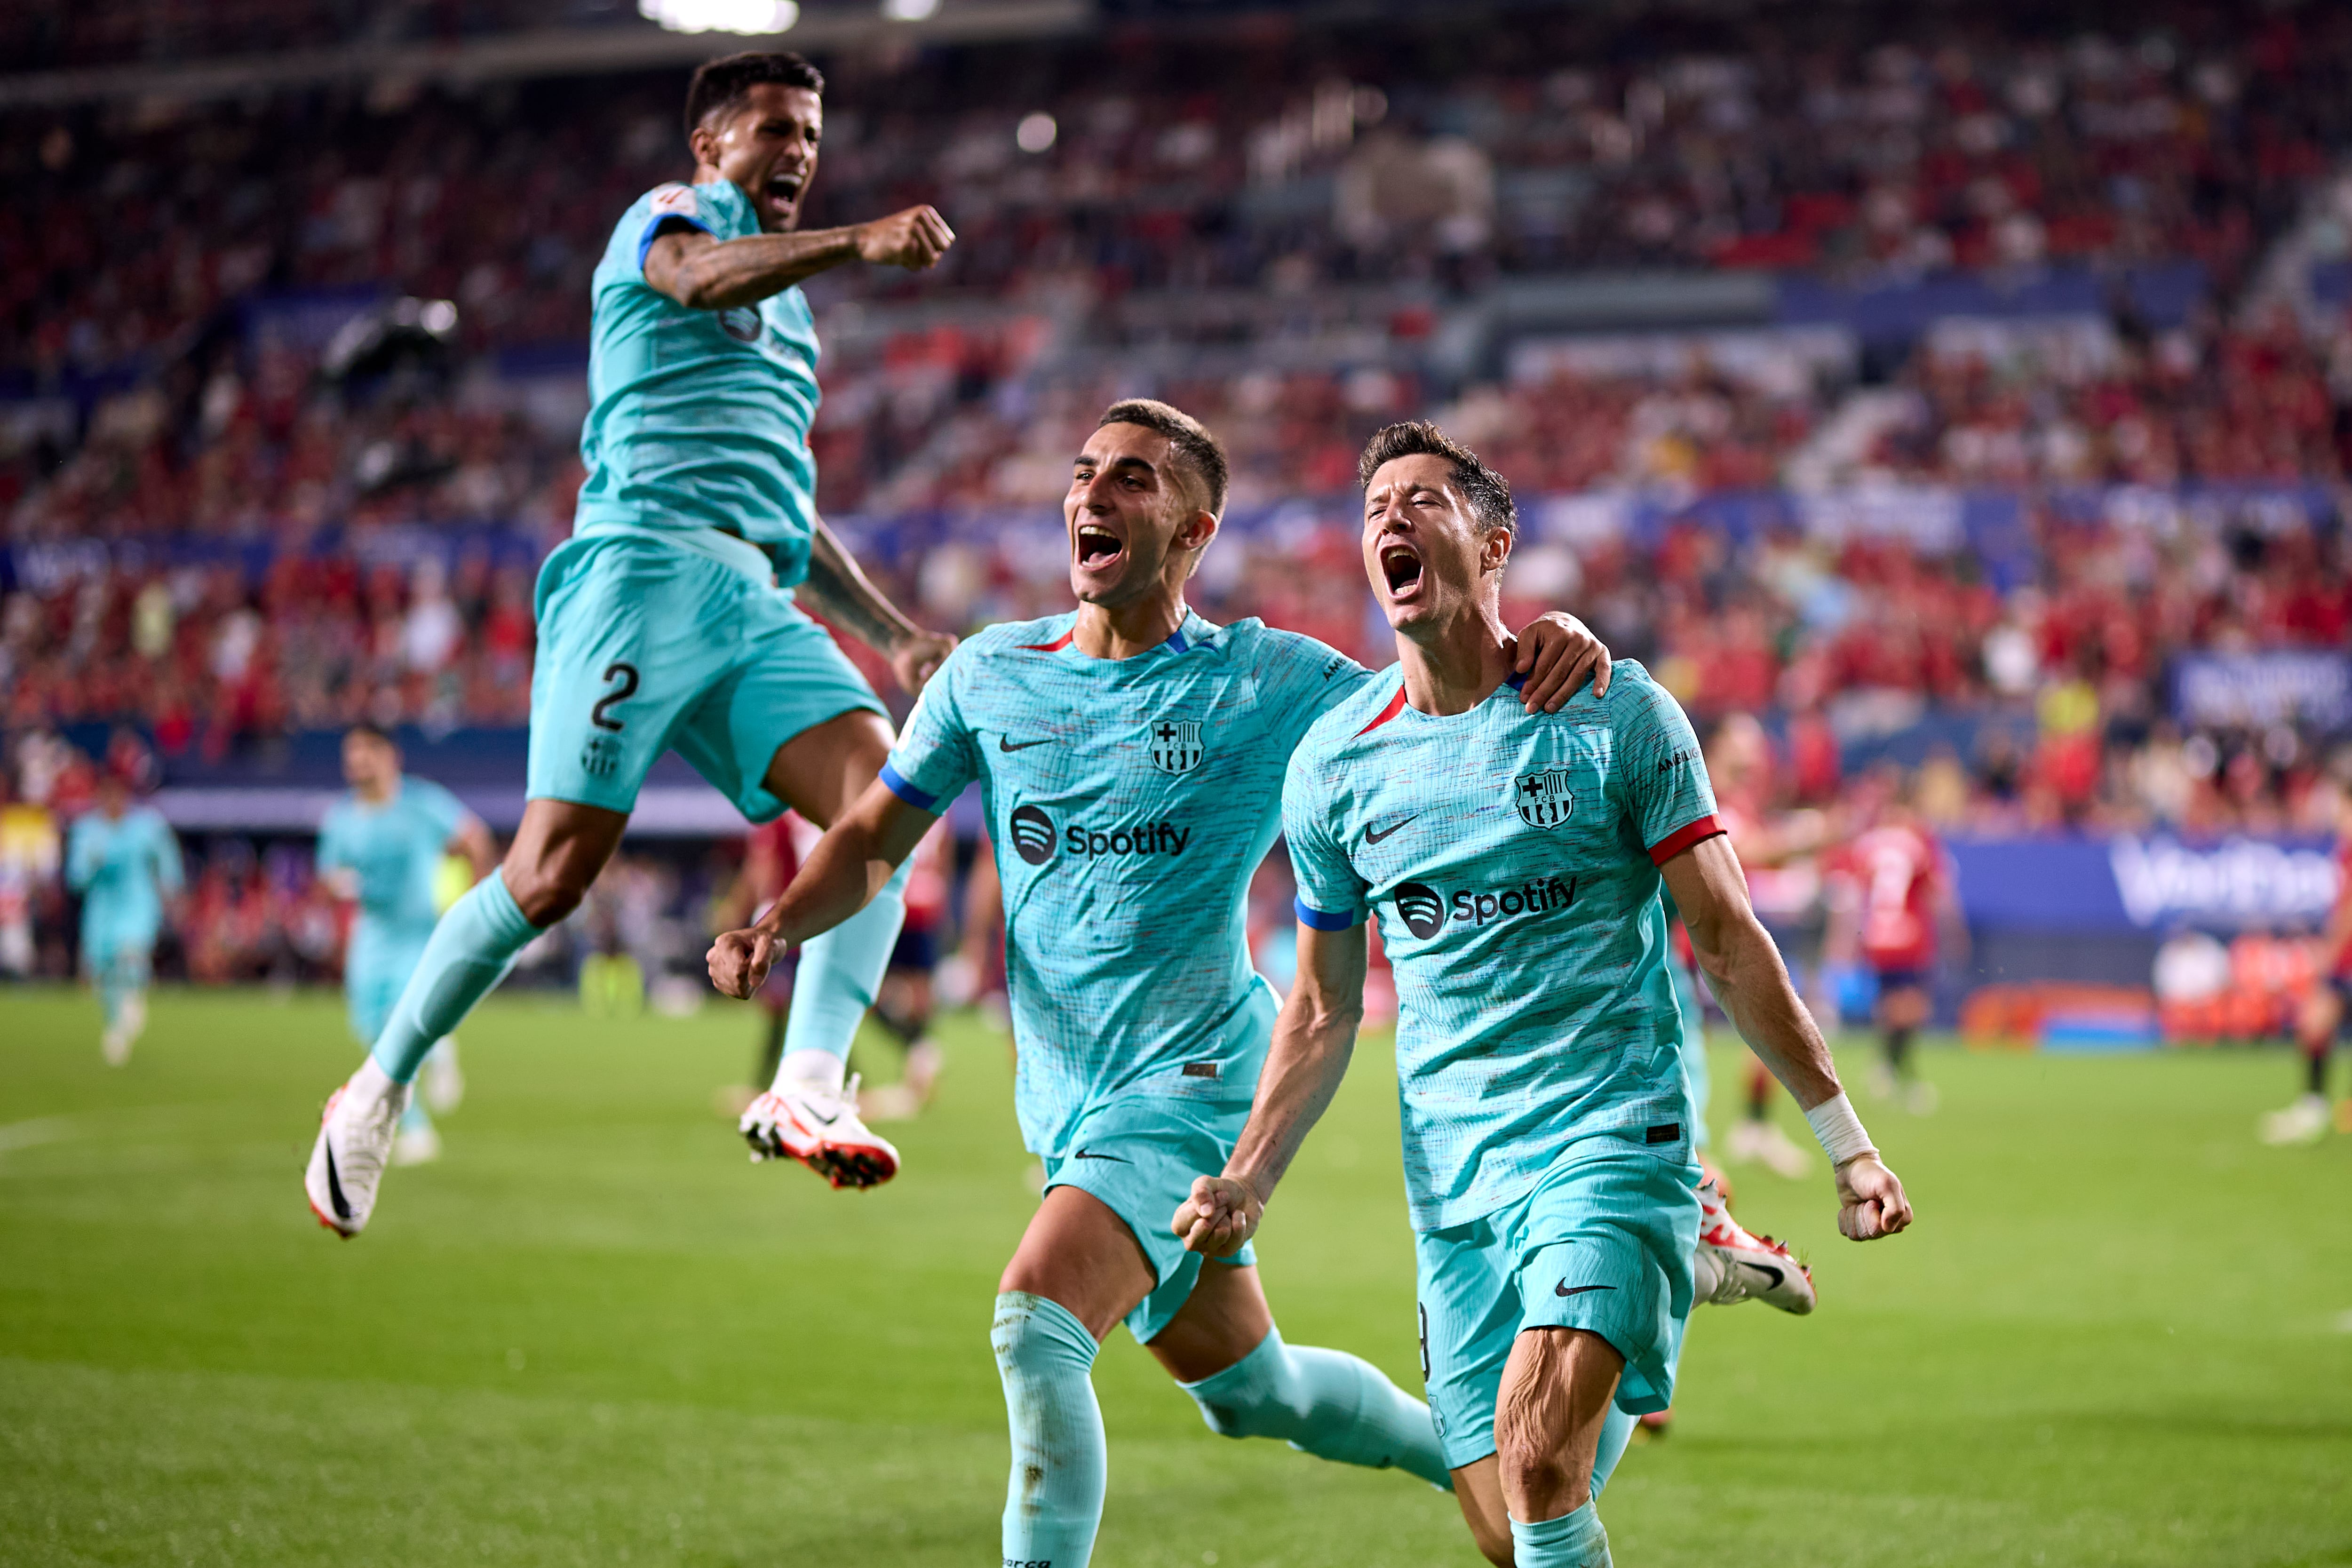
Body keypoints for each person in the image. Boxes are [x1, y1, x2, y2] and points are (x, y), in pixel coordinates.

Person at [707, 398, 1616, 1568]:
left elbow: (1440, 696)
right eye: (1086, 472)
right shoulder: (991, 675)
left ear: (1194, 532)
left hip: (1195, 1080)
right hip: (1068, 1100)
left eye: (1134, 479)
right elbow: (875, 835)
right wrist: (781, 922)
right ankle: (1467, 1448)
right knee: (1255, 1392)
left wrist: (1561, 635)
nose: (1095, 493)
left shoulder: (1264, 682)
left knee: (1037, 1325)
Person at [1175, 422, 1912, 1568]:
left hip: (1611, 1136)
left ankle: (1666, 1219)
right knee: (1505, 1527)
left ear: (1495, 539)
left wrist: (1846, 1143)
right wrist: (1250, 1177)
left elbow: (1724, 937)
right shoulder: (1332, 765)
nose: (1391, 521)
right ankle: (1699, 1251)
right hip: (1455, 1173)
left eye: (1424, 499)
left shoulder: (1618, 715)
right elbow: (1321, 1008)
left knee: (1537, 1459)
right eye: (1375, 508)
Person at [303, 50, 959, 1236]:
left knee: (888, 796)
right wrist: (860, 240)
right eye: (773, 129)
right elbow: (698, 279)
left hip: (753, 597)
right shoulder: (667, 222)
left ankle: (806, 1085)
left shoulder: (796, 313)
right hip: (637, 570)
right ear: (711, 146)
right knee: (552, 874)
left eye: (811, 132)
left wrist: (899, 635)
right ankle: (373, 1089)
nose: (799, 152)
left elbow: (785, 514)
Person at [314, 726, 495, 1171]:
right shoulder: (341, 818)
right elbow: (326, 878)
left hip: (419, 936)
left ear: (389, 755)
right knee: (371, 1034)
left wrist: (473, 904)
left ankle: (417, 1126)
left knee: (401, 1023)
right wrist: (338, 891)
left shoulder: (420, 803)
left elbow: (474, 838)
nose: (357, 760)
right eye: (350, 751)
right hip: (371, 936)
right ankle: (425, 1092)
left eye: (366, 750)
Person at [1822, 773, 1964, 1115]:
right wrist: (1955, 932)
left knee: (1892, 1004)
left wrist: (1843, 942)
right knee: (1912, 1006)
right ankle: (1901, 1072)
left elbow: (1850, 898)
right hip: (1910, 934)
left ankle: (1886, 1067)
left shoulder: (1867, 843)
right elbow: (1940, 893)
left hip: (1877, 935)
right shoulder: (1919, 840)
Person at [65, 767, 183, 1066]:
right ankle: (116, 1027)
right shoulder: (87, 830)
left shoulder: (147, 826)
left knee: (130, 951)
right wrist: (92, 863)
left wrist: (172, 889)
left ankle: (134, 996)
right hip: (101, 909)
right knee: (104, 970)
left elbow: (167, 861)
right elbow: (75, 879)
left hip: (137, 903)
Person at [2262, 794, 2352, 1145]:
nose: (2336, 815)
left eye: (2343, 807)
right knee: (2315, 1023)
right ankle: (2313, 1107)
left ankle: (2312, 1108)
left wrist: (2330, 950)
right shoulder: (2343, 850)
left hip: (2345, 959)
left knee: (2315, 1021)